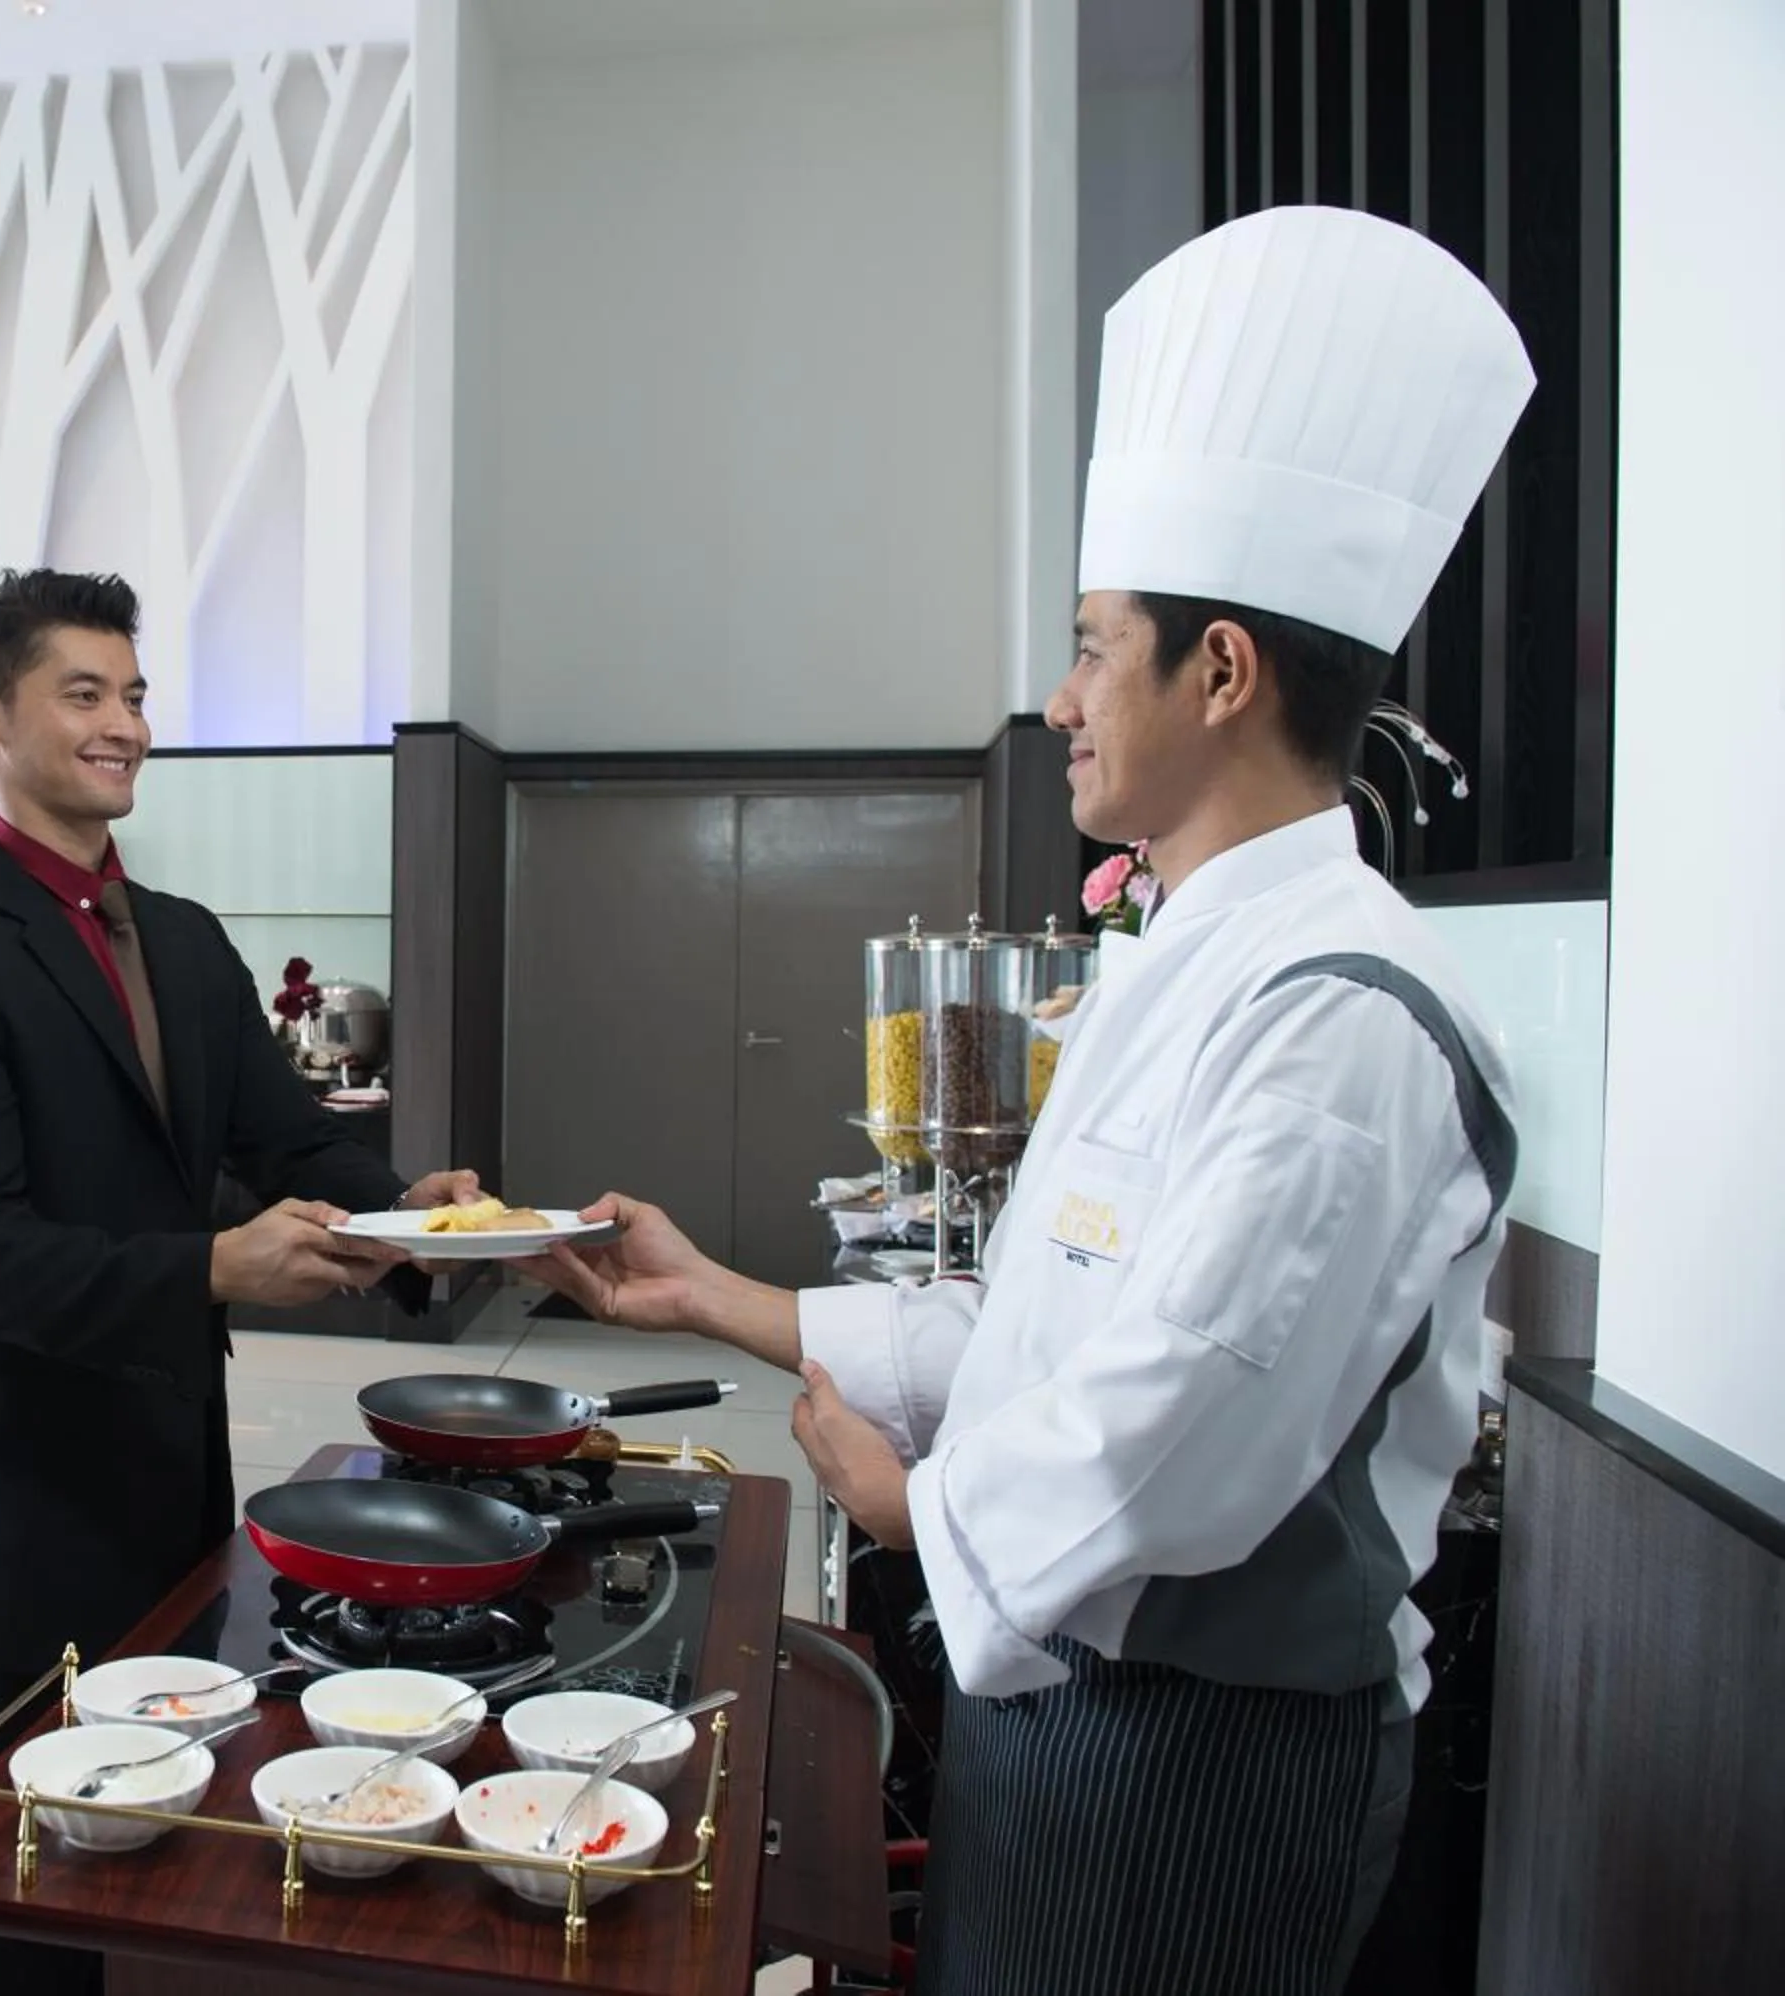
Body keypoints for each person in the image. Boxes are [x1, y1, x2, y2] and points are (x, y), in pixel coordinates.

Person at [536, 206, 1536, 1996]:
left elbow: (1177, 1430)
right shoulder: (1179, 962)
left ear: (1220, 670)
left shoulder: (1346, 1017)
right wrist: (712, 1299)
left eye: (1091, 647)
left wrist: (913, 1512)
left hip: (1203, 1762)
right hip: (1070, 1698)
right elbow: (1038, 1328)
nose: (1062, 701)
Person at [0, 569, 479, 1996]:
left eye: (134, 694)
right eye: (85, 694)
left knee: (150, 1855)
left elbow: (288, 1141)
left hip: (171, 1477)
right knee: (6, 1878)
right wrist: (215, 1265)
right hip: (9, 1498)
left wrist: (420, 1217)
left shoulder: (182, 939)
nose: (126, 724)